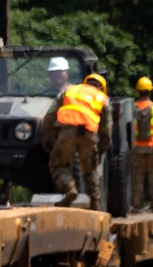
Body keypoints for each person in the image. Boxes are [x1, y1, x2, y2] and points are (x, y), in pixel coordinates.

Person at [44, 73, 111, 210]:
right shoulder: (103, 98)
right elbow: (106, 129)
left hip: (66, 133)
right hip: (89, 135)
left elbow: (50, 116)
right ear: (102, 88)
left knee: (58, 165)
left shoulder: (69, 90)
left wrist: (48, 137)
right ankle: (95, 201)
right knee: (90, 169)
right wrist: (102, 148)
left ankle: (69, 189)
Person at [130, 76, 153, 211]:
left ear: (138, 91)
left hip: (136, 149)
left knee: (137, 179)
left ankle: (137, 205)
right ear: (150, 91)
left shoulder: (132, 110)